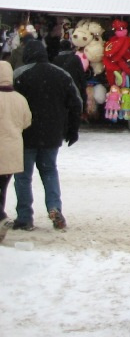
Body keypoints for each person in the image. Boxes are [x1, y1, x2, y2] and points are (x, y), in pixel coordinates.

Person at [12, 39, 82, 231]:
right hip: (52, 134)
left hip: (26, 135)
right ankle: (54, 208)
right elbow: (76, 103)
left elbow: (11, 103)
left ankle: (25, 218)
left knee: (23, 177)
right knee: (49, 171)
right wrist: (72, 130)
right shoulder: (61, 75)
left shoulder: (19, 75)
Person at [0, 61, 32, 243]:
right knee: (2, 188)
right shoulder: (19, 98)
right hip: (13, 149)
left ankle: (1, 217)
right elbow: (27, 121)